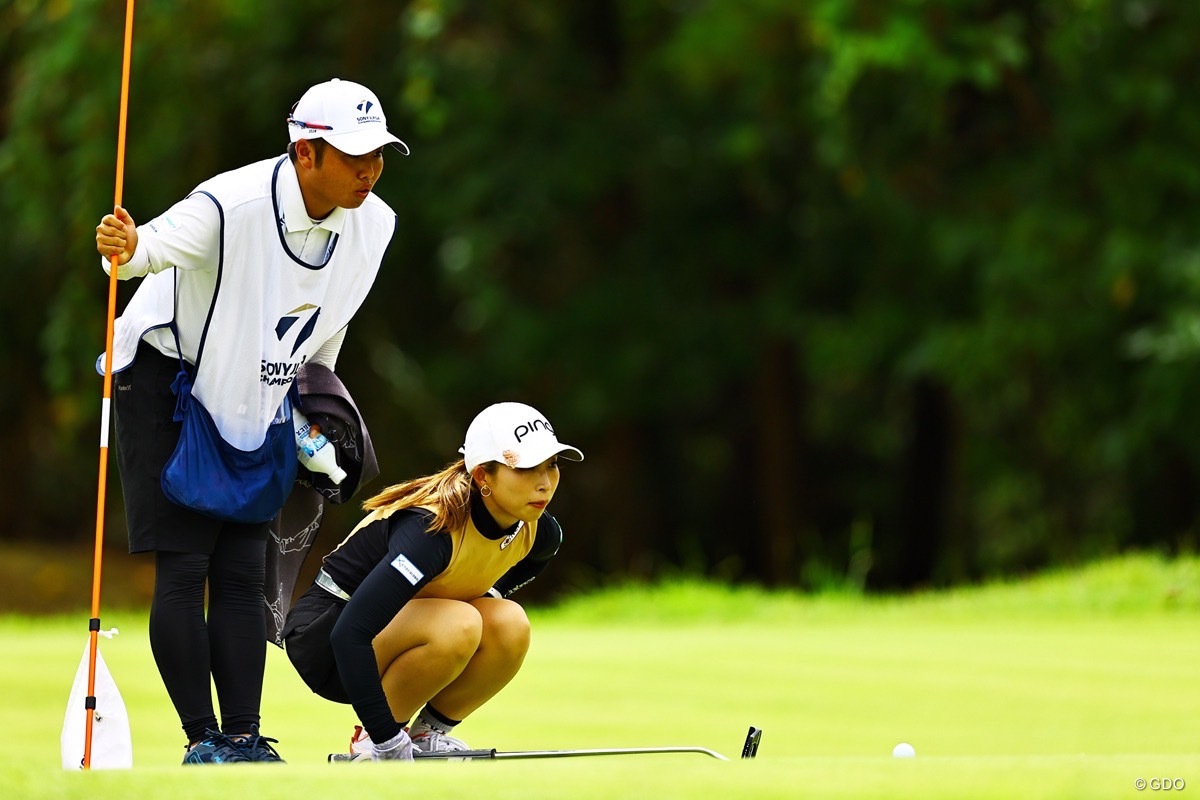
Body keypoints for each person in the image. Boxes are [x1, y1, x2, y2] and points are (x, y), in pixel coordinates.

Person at [93, 78, 409, 764]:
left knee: (241, 569)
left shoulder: (374, 224)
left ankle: (243, 738)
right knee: (186, 565)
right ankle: (201, 740)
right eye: (353, 155)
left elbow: (329, 320)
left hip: (261, 390)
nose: (370, 169)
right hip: (163, 375)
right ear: (305, 153)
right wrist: (124, 243)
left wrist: (316, 402)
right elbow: (146, 251)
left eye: (378, 154)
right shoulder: (230, 202)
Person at [282, 402, 584, 761]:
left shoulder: (539, 531)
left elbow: (529, 565)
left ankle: (428, 734)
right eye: (526, 468)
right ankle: (374, 741)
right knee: (461, 622)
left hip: (387, 633)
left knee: (509, 622)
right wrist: (385, 738)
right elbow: (349, 633)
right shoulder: (431, 532)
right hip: (327, 642)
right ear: (482, 476)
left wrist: (489, 594)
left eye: (551, 465)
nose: (545, 482)